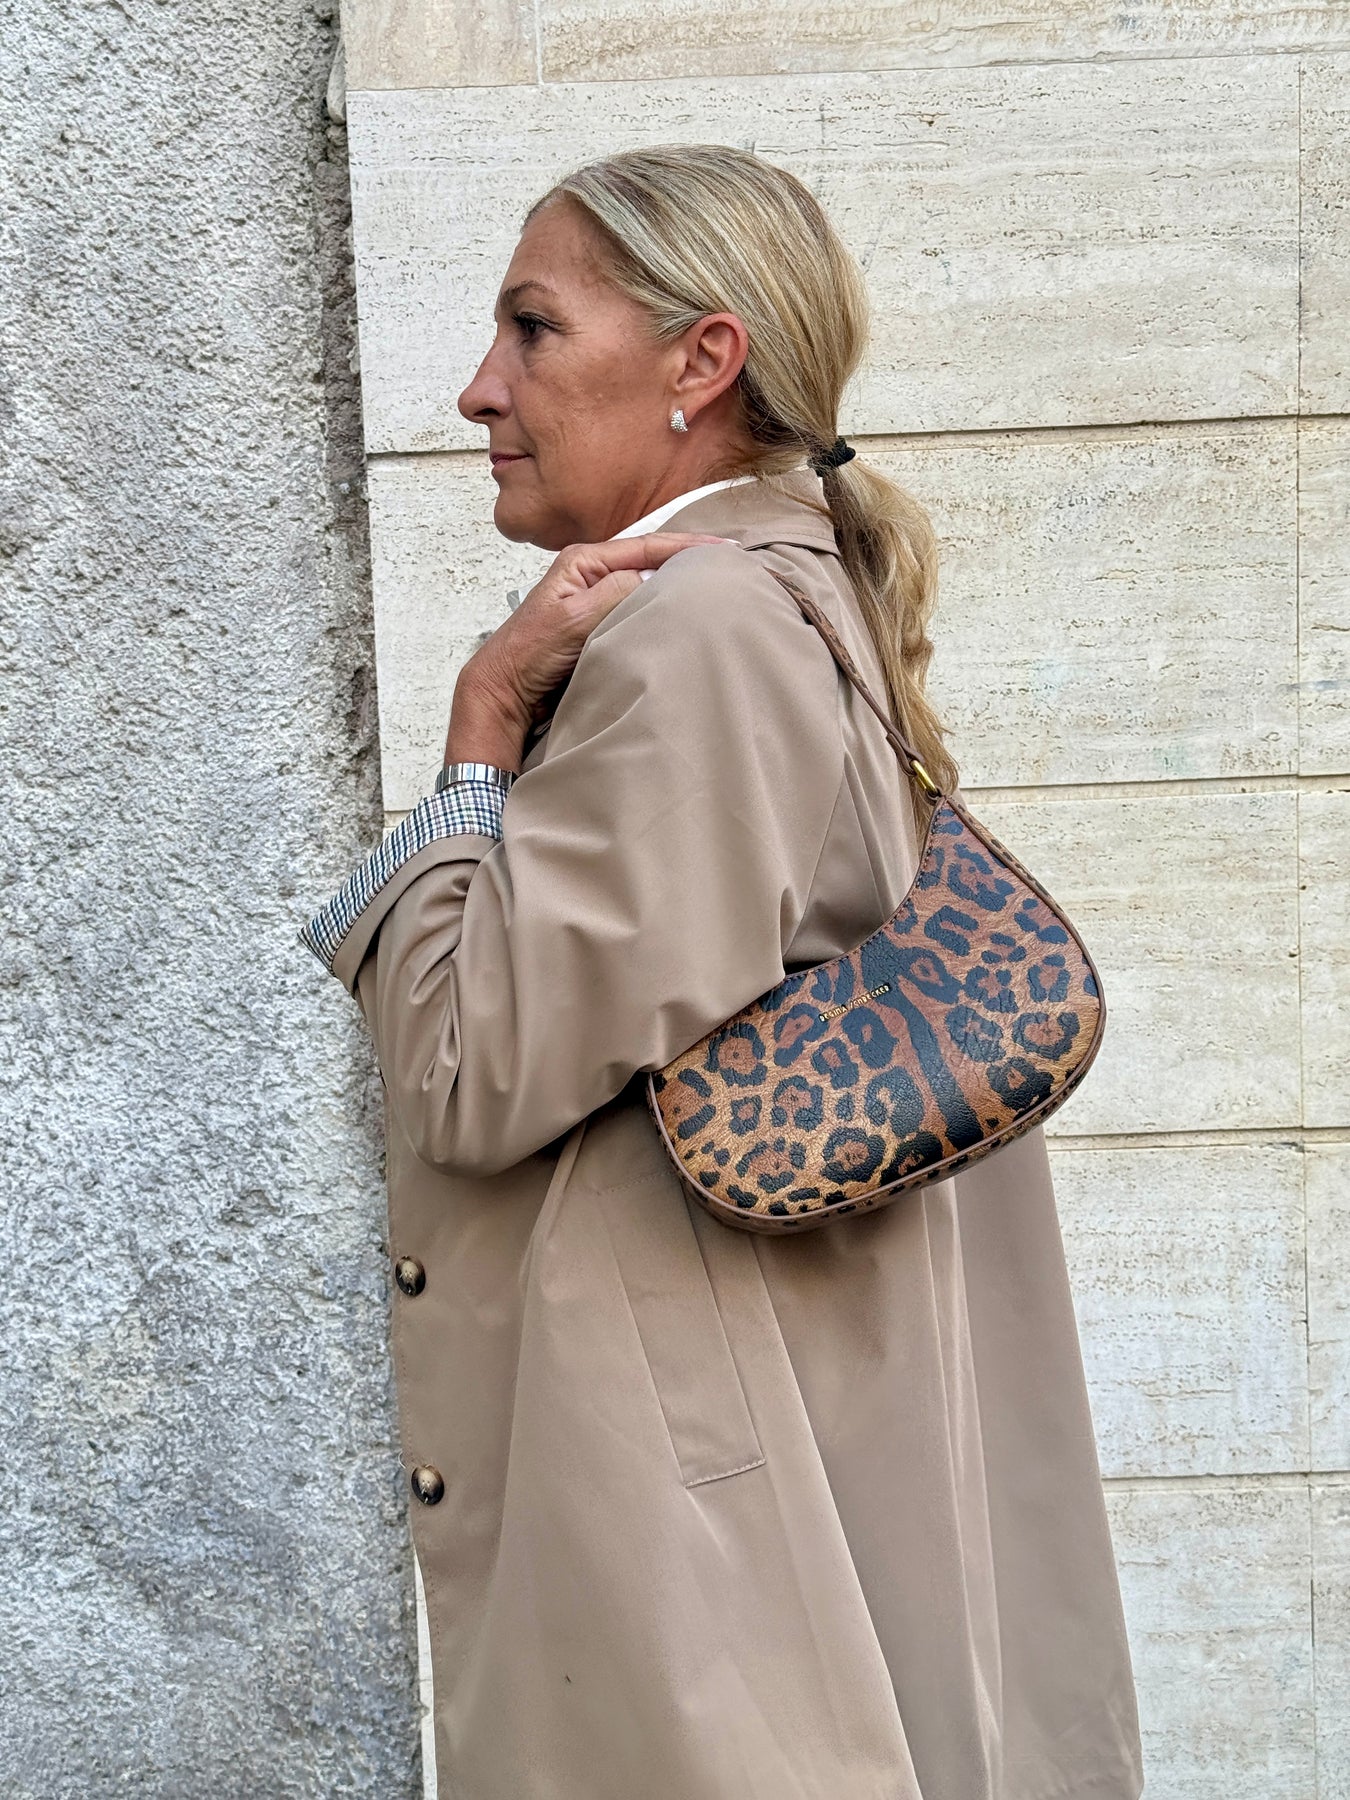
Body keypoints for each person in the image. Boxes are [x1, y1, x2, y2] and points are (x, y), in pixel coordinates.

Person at [300, 143, 1144, 1800]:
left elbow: (469, 1074)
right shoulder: (792, 593)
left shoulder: (693, 632)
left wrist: (482, 726)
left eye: (533, 328)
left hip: (690, 1521)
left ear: (702, 361)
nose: (480, 389)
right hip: (775, 1462)